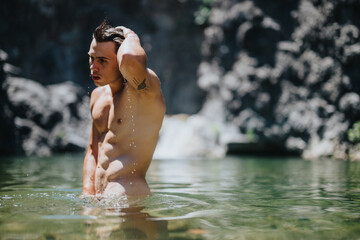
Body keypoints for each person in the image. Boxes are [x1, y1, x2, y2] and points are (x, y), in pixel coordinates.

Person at [83, 21, 166, 197]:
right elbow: (93, 151)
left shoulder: (143, 92)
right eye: (92, 58)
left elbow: (130, 58)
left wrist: (131, 36)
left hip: (128, 199)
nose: (93, 67)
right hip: (101, 200)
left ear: (119, 61)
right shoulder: (97, 96)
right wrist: (88, 195)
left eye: (102, 60)